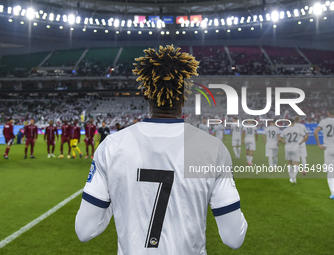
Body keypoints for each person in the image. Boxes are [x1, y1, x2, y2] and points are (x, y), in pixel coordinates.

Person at [75, 45, 247, 254]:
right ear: (185, 95)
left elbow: (84, 230)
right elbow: (234, 238)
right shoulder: (212, 148)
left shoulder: (112, 146)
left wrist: (117, 195)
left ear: (145, 94)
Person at [314, 108, 334, 199]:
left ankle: (333, 193)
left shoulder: (324, 121)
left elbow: (315, 132)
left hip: (328, 147)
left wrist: (319, 144)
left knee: (330, 171)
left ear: (328, 113)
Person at [279, 119, 307, 183]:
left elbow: (280, 138)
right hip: (296, 147)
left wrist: (284, 142)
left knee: (289, 163)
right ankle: (294, 176)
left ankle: (291, 178)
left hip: (287, 147)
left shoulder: (285, 130)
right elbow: (305, 137)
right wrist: (300, 143)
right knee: (296, 163)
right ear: (294, 123)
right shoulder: (298, 129)